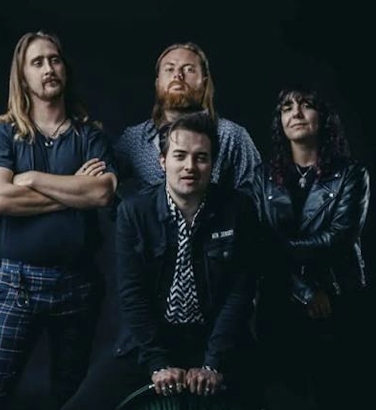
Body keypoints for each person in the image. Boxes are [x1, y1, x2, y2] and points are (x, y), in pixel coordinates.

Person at [62, 112, 259, 410]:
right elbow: (132, 294)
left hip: (217, 340)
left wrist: (213, 362)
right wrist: (157, 362)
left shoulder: (237, 209)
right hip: (150, 341)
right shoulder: (134, 212)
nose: (190, 166)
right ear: (163, 161)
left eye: (201, 158)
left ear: (212, 164)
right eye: (180, 156)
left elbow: (240, 292)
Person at [0, 31, 117, 410]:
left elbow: (101, 193)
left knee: (71, 399)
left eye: (54, 59)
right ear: (23, 76)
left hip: (78, 284)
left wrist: (32, 179)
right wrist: (73, 191)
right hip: (17, 284)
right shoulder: (0, 133)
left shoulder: (90, 135)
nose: (48, 68)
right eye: (37, 62)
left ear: (65, 68)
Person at [252, 87, 370, 409]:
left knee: (340, 396)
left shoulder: (351, 174)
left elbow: (338, 238)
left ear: (324, 117)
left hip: (338, 299)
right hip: (279, 302)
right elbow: (256, 244)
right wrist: (304, 291)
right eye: (287, 107)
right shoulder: (262, 177)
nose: (296, 113)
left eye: (306, 105)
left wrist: (276, 248)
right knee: (281, 398)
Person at [115, 42, 260, 196]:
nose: (178, 75)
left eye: (189, 69)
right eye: (169, 69)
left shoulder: (231, 136)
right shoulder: (135, 138)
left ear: (204, 82)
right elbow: (105, 185)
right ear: (157, 83)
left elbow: (256, 196)